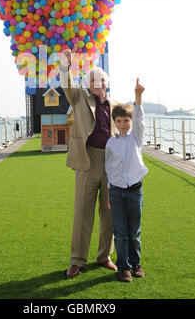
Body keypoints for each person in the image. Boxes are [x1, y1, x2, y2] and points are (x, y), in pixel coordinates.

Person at [60, 45, 118, 279]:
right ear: (88, 83)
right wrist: (66, 64)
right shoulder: (79, 98)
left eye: (101, 79)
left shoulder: (115, 105)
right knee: (83, 213)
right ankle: (77, 261)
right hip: (88, 159)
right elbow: (67, 84)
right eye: (93, 79)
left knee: (109, 213)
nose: (97, 83)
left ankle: (104, 256)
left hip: (111, 164)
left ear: (106, 83)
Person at [105, 78, 148, 283]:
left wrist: (138, 97)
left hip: (134, 190)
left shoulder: (136, 137)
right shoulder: (110, 143)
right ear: (114, 122)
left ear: (130, 121)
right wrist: (108, 192)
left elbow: (140, 118)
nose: (122, 124)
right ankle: (124, 268)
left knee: (134, 231)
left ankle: (136, 263)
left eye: (126, 120)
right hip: (116, 191)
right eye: (119, 121)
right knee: (120, 232)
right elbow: (109, 168)